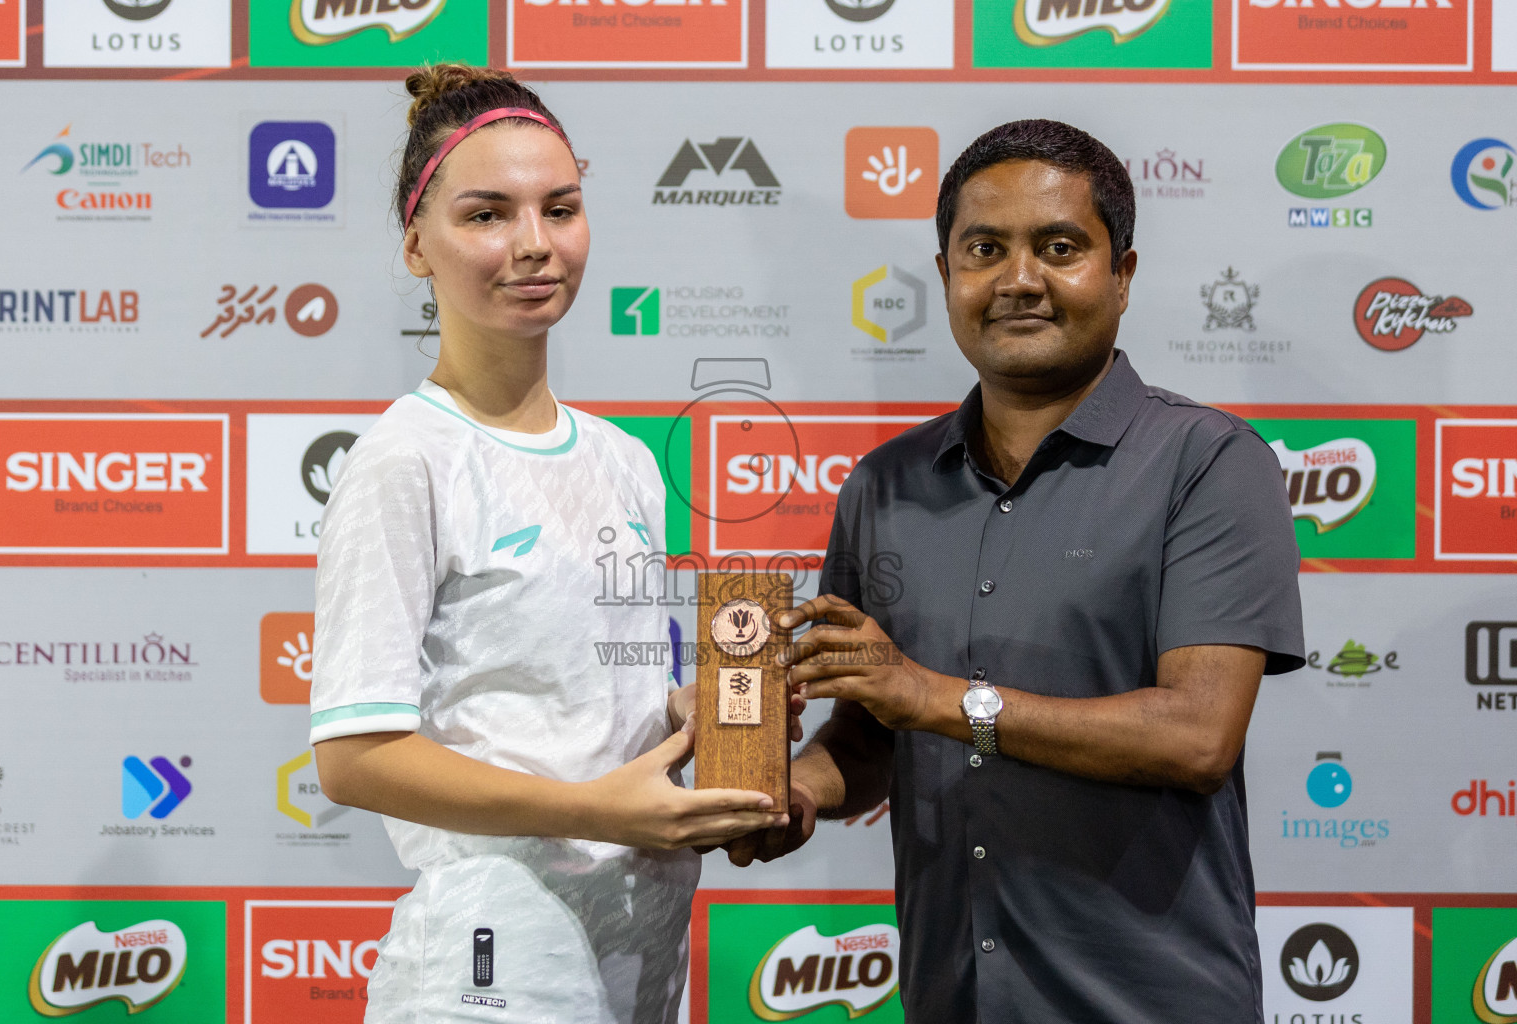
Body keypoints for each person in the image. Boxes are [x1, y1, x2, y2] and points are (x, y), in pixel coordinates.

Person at [733, 120, 1305, 1023]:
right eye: (985, 249)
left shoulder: (1209, 461)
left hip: (1150, 1003)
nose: (1019, 280)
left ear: (1121, 274)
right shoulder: (883, 485)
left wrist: (930, 697)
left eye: (1060, 247)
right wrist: (795, 790)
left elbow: (1197, 736)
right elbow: (872, 738)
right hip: (948, 994)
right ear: (948, 273)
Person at [309, 64, 789, 1024]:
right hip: (492, 956)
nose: (534, 245)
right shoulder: (407, 458)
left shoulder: (622, 459)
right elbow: (353, 758)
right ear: (416, 243)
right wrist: (598, 810)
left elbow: (566, 693)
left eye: (559, 209)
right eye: (487, 215)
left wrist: (713, 717)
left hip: (643, 941)